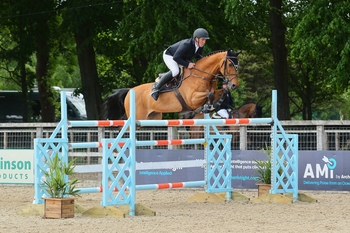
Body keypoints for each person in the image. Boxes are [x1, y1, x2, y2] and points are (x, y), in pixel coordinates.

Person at [150, 28, 210, 101]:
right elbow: (176, 57)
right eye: (202, 39)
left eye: (205, 40)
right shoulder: (186, 44)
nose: (204, 42)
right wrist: (187, 64)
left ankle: (165, 75)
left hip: (181, 57)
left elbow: (198, 57)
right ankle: (156, 88)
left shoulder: (200, 46)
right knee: (176, 71)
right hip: (170, 55)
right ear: (196, 39)